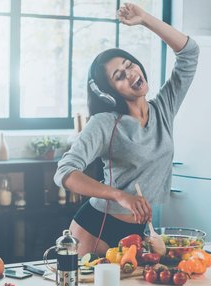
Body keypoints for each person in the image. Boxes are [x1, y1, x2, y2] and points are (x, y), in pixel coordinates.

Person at [54, 3, 199, 256]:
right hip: (96, 227)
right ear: (112, 92)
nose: (130, 74)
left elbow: (189, 53)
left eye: (129, 65)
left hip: (141, 231)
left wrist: (145, 19)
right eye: (119, 76)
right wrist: (119, 195)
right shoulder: (104, 123)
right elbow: (64, 172)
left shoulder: (164, 108)